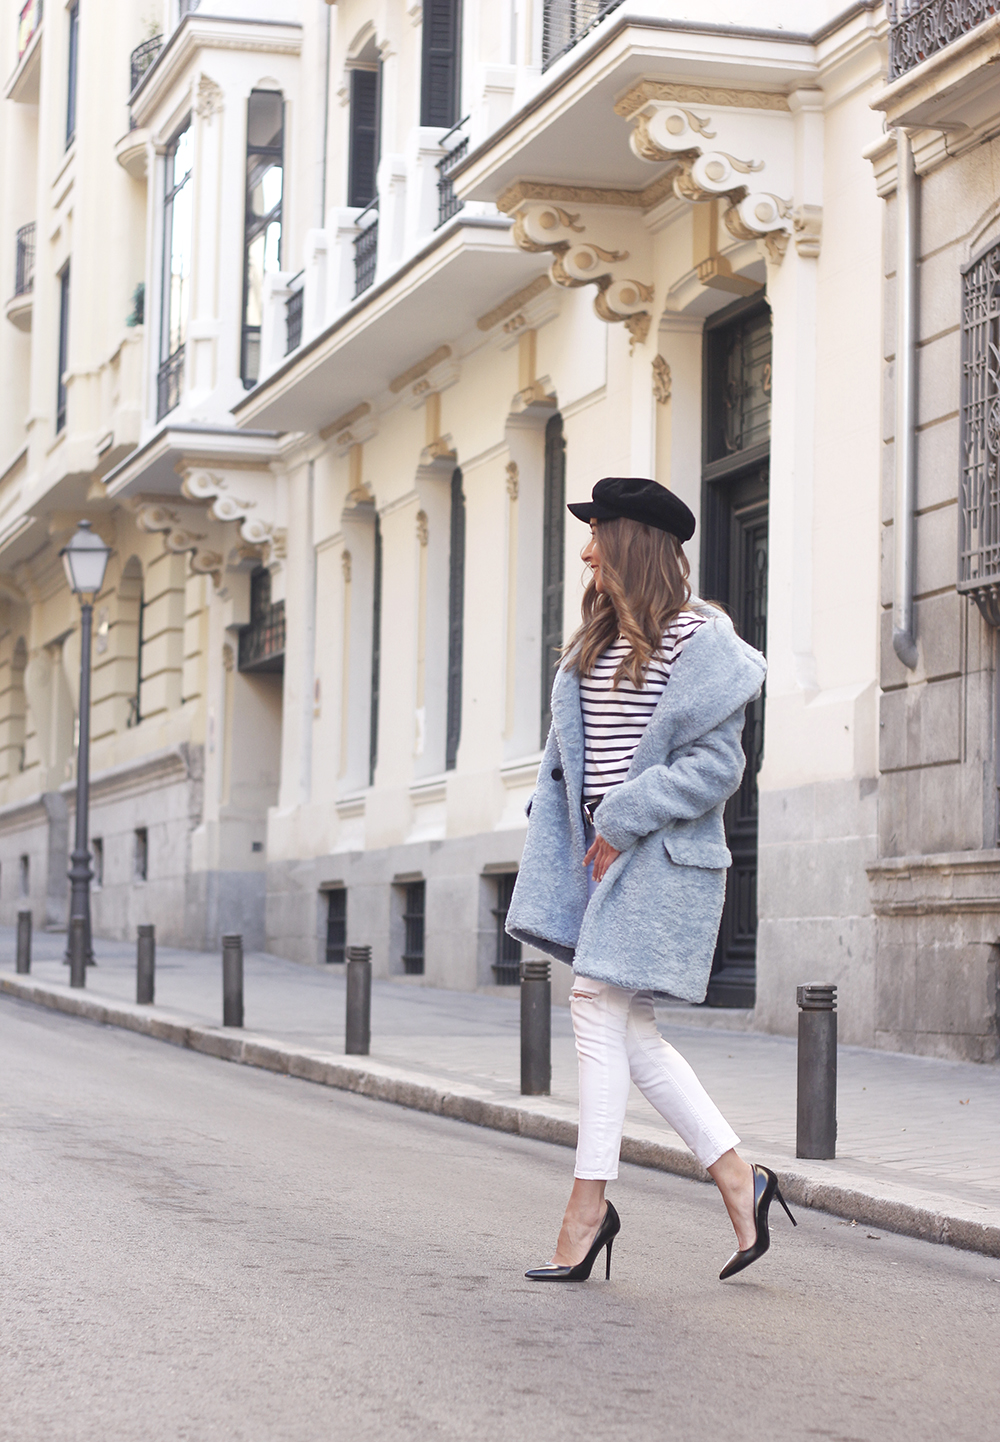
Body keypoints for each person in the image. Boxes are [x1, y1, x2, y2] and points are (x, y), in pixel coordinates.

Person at [506, 475, 795, 1283]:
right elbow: (573, 758)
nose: (587, 552)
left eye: (597, 536)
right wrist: (563, 825)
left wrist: (620, 817)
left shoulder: (701, 645)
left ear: (631, 544)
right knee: (632, 1031)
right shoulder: (592, 643)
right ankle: (740, 1180)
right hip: (594, 862)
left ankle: (587, 1208)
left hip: (656, 860)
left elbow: (716, 769)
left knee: (593, 1003)